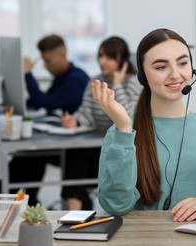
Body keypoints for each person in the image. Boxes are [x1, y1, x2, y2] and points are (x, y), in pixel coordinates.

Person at [91, 28, 196, 222]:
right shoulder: (121, 134)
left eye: (182, 63)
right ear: (143, 76)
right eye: (161, 67)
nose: (175, 74)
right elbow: (115, 205)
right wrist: (123, 128)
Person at [60, 36, 142, 210]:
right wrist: (74, 122)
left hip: (123, 147)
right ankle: (73, 214)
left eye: (110, 57)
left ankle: (77, 210)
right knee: (75, 155)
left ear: (123, 60)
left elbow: (129, 118)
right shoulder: (95, 81)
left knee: (79, 163)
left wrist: (118, 85)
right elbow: (86, 115)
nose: (103, 61)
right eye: (101, 56)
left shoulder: (134, 82)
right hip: (96, 145)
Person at [10, 34, 90, 206]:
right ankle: (17, 201)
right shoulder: (63, 77)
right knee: (26, 156)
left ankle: (17, 202)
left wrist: (28, 74)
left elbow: (46, 102)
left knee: (31, 155)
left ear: (63, 55)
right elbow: (46, 98)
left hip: (80, 150)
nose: (46, 66)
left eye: (48, 61)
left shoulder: (76, 79)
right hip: (68, 140)